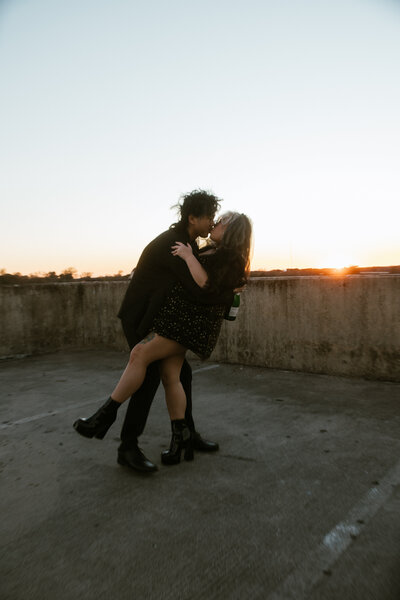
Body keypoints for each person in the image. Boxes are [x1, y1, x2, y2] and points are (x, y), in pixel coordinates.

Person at [73, 209, 252, 466]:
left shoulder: (228, 256)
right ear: (193, 217)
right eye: (213, 217)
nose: (215, 222)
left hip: (187, 326)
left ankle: (105, 416)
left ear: (232, 230)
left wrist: (190, 257)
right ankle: (181, 439)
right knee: (172, 376)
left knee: (141, 355)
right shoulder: (207, 248)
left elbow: (205, 285)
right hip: (178, 322)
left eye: (222, 221)